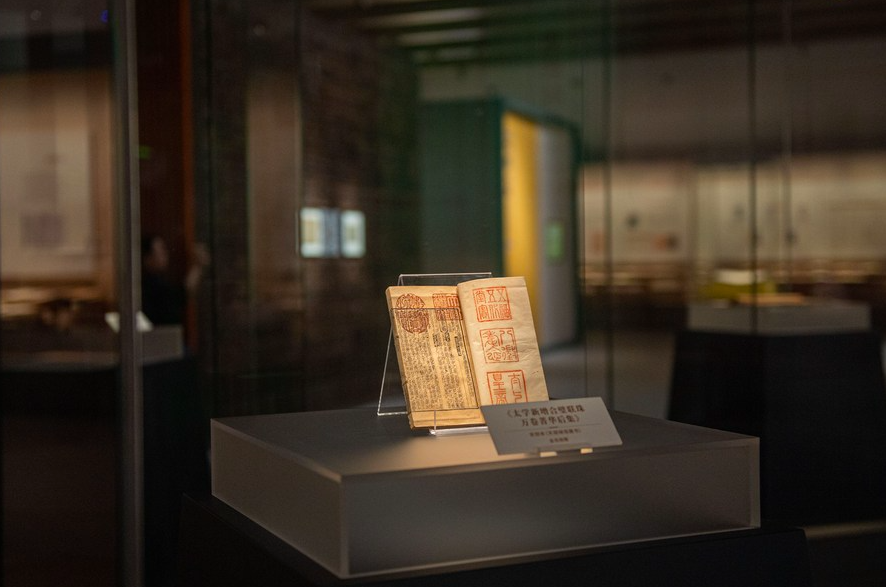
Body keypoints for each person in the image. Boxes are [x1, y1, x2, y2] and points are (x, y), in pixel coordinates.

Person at [141, 234, 209, 326]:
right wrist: (198, 266)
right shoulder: (150, 284)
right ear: (147, 258)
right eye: (161, 250)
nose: (166, 254)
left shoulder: (156, 280)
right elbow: (182, 294)